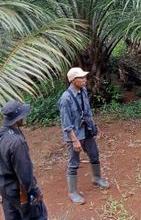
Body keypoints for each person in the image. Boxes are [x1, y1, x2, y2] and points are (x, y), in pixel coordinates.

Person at [0, 100, 48, 220]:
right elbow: (24, 172)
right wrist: (34, 191)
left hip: (3, 187)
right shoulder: (17, 142)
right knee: (37, 216)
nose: (24, 117)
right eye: (23, 115)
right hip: (18, 189)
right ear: (17, 118)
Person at [58, 67, 110, 205]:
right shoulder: (66, 99)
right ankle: (73, 192)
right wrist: (74, 140)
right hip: (74, 134)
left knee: (94, 154)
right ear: (73, 81)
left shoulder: (83, 91)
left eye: (84, 77)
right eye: (81, 78)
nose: (85, 80)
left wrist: (95, 126)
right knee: (74, 163)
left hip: (86, 130)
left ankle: (97, 178)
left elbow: (87, 112)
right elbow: (66, 123)